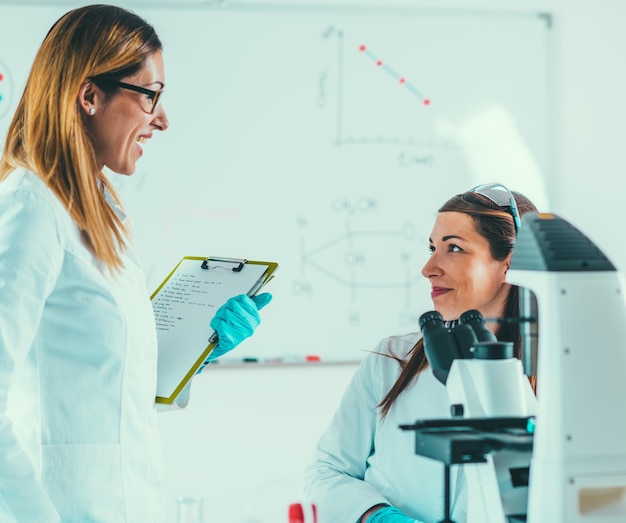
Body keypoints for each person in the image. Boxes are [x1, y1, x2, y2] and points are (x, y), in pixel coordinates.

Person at [0, 5, 271, 522]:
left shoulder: (103, 214)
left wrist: (200, 347)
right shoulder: (30, 207)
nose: (162, 120)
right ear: (89, 95)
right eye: (150, 96)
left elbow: (112, 386)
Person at [303, 183, 538, 523]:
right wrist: (377, 516)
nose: (428, 268)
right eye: (432, 248)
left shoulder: (557, 372)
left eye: (454, 248)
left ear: (510, 263)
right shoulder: (391, 359)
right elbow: (326, 471)